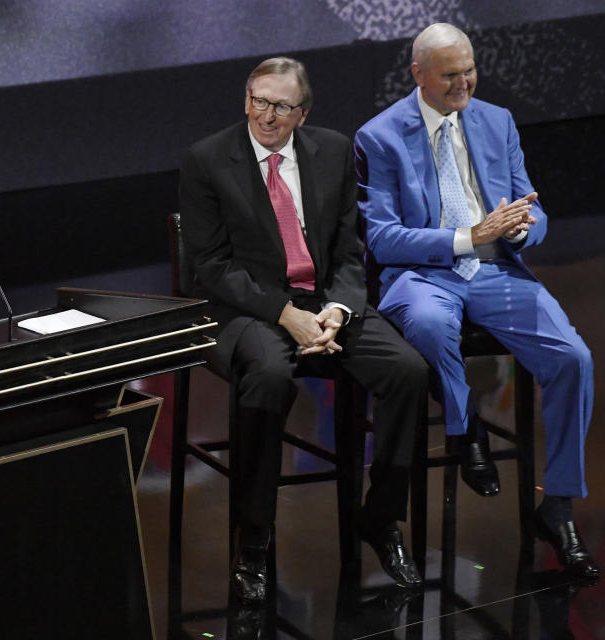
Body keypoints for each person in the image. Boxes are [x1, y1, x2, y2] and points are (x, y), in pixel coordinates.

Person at [180, 57, 429, 603]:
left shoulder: (334, 150)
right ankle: (254, 539)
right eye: (258, 101)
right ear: (246, 99)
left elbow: (347, 248)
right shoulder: (206, 160)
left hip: (324, 303)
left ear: (303, 113)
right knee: (270, 375)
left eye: (281, 106)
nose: (267, 115)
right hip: (246, 309)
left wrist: (338, 309)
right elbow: (212, 267)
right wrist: (283, 314)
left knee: (408, 372)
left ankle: (381, 520)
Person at [355, 23, 598, 578]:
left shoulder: (496, 121)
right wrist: (469, 236)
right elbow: (383, 238)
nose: (464, 82)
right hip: (422, 273)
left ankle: (557, 506)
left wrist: (515, 231)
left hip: (494, 271)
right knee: (431, 325)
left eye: (469, 70)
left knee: (572, 359)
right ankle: (467, 432)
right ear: (418, 75)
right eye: (450, 74)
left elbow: (531, 210)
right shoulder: (379, 136)